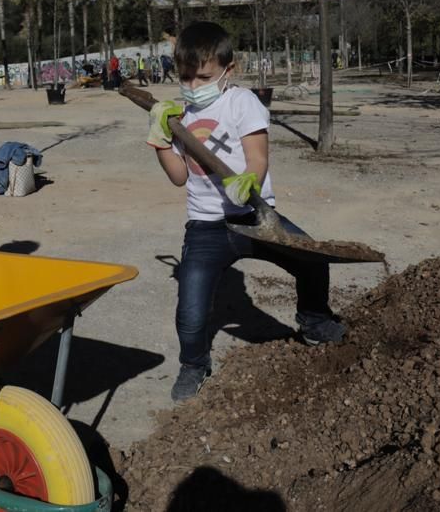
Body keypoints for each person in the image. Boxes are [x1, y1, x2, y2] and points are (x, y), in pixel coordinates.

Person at [146, 21, 345, 402]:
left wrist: (248, 183)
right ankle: (194, 365)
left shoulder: (243, 102)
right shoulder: (178, 114)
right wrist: (160, 143)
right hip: (206, 226)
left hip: (255, 218)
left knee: (313, 258)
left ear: (228, 70)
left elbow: (257, 159)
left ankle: (315, 322)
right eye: (185, 77)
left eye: (202, 77)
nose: (192, 86)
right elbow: (177, 177)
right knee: (191, 311)